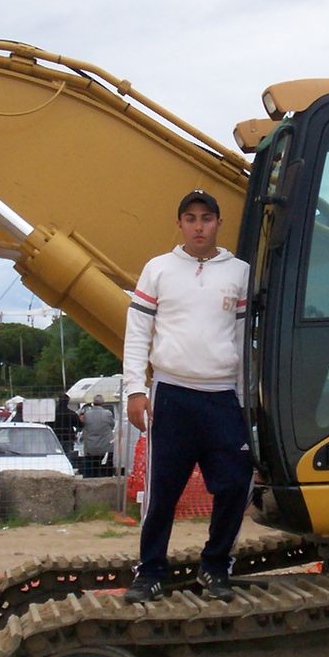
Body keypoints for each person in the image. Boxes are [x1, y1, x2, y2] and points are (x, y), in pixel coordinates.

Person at [121, 189, 251, 603]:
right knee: (162, 493)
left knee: (234, 485)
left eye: (206, 218)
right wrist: (135, 389)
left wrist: (245, 401)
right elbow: (137, 333)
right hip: (171, 394)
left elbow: (242, 339)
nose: (199, 227)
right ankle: (150, 573)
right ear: (179, 224)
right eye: (191, 218)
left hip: (222, 396)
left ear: (218, 223)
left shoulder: (240, 273)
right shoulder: (158, 269)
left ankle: (215, 567)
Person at [79, 397, 115, 478]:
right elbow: (112, 425)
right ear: (103, 403)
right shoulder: (108, 414)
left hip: (90, 447)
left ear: (93, 403)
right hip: (105, 446)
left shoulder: (87, 414)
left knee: (91, 471)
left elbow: (83, 425)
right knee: (105, 471)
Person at [52, 393, 81, 459]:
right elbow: (79, 425)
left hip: (55, 437)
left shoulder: (53, 413)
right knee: (68, 457)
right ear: (67, 402)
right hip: (68, 437)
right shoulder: (71, 413)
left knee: (55, 457)